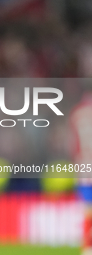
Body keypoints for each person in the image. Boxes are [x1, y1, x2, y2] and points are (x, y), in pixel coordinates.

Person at [70, 86, 92, 255]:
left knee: (87, 209)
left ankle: (87, 247)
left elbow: (75, 145)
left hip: (84, 166)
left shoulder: (76, 113)